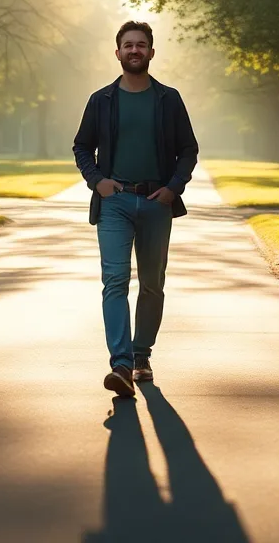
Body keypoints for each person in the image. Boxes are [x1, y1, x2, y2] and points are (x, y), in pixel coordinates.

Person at [73, 20, 198, 398]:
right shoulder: (101, 100)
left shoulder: (169, 99)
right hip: (115, 203)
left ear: (151, 52)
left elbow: (188, 150)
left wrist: (172, 189)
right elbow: (82, 146)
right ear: (117, 52)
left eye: (141, 45)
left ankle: (142, 354)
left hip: (157, 203)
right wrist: (98, 181)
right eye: (127, 45)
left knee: (151, 284)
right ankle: (121, 364)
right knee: (114, 281)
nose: (134, 50)